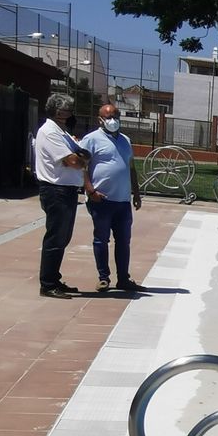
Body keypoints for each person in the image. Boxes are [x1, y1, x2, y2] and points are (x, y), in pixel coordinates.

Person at [80, 102, 143, 293]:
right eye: (108, 117)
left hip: (123, 201)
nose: (112, 120)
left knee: (124, 241)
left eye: (115, 116)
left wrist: (136, 192)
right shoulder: (91, 140)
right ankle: (103, 278)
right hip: (101, 200)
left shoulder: (125, 140)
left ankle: (123, 278)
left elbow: (130, 167)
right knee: (101, 239)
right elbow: (82, 168)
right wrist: (90, 191)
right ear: (100, 119)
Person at [33, 92, 87, 297]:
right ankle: (48, 284)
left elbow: (79, 153)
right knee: (56, 237)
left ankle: (54, 278)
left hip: (66, 190)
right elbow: (72, 160)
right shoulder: (50, 132)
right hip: (56, 190)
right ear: (57, 111)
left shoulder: (61, 132)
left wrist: (81, 157)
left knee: (63, 237)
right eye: (66, 110)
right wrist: (83, 161)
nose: (70, 113)